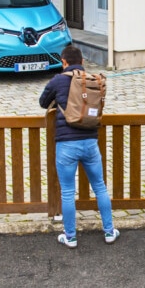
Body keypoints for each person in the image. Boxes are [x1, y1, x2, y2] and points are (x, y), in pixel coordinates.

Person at [39, 45, 119, 248]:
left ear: (63, 62)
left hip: (66, 144)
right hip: (90, 142)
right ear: (82, 62)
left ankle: (71, 236)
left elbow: (43, 102)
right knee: (99, 186)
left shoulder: (58, 80)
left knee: (67, 191)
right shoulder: (91, 80)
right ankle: (109, 231)